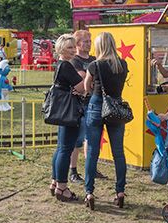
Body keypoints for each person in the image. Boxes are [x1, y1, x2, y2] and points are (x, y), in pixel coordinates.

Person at [83, 32, 129, 210]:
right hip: (115, 106)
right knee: (118, 151)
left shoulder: (95, 65)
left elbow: (87, 87)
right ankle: (120, 191)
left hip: (96, 105)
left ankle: (89, 192)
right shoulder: (122, 64)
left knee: (93, 150)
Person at [49, 34, 86, 203]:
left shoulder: (60, 65)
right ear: (62, 48)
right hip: (69, 111)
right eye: (70, 47)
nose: (73, 50)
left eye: (74, 47)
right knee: (65, 148)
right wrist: (85, 80)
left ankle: (55, 181)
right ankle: (62, 187)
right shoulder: (67, 66)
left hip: (62, 110)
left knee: (60, 148)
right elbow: (81, 87)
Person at [68, 29, 105, 183]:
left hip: (93, 102)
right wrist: (90, 78)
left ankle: (91, 167)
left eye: (90, 41)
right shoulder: (75, 60)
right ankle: (73, 171)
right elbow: (83, 82)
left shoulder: (93, 59)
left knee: (92, 138)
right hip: (79, 104)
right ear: (77, 44)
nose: (88, 44)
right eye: (85, 41)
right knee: (77, 139)